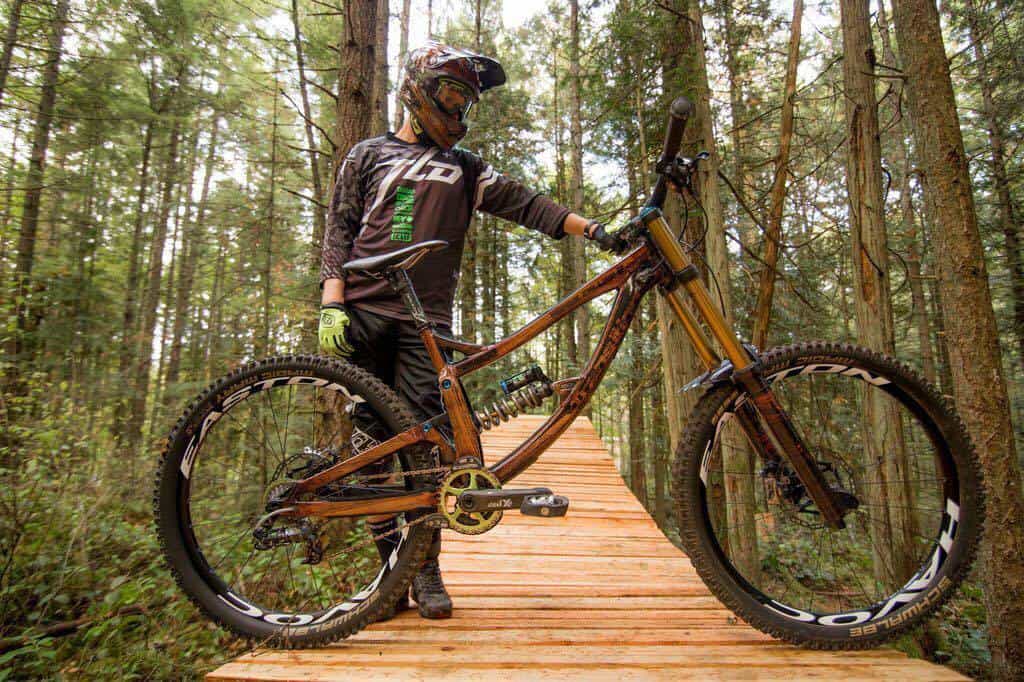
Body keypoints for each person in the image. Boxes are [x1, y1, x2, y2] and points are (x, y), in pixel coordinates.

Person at [317, 41, 625, 620]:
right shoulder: (367, 154)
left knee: (430, 453)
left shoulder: (464, 168)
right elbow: (339, 230)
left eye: (466, 100)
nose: (458, 108)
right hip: (361, 313)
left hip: (423, 324)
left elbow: (527, 204)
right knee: (374, 451)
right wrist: (332, 303)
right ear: (419, 90)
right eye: (451, 94)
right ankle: (390, 577)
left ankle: (426, 572)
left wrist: (597, 230)